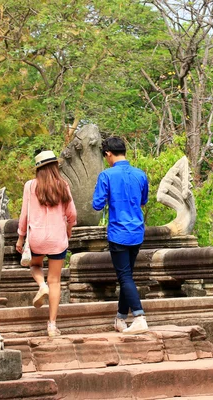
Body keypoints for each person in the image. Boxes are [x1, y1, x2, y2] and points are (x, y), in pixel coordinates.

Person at [16, 150, 77, 337]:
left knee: (35, 265)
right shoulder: (63, 186)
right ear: (55, 166)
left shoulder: (30, 186)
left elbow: (24, 214)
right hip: (58, 238)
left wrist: (20, 236)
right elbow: (72, 214)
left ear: (38, 169)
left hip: (37, 238)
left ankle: (41, 285)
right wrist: (69, 229)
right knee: (56, 281)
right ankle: (51, 325)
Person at [92, 136, 149, 334]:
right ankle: (120, 318)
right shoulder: (140, 174)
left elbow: (97, 204)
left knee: (124, 276)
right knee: (127, 277)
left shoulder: (106, 176)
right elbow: (143, 201)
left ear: (108, 153)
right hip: (137, 232)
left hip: (118, 233)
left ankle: (140, 316)